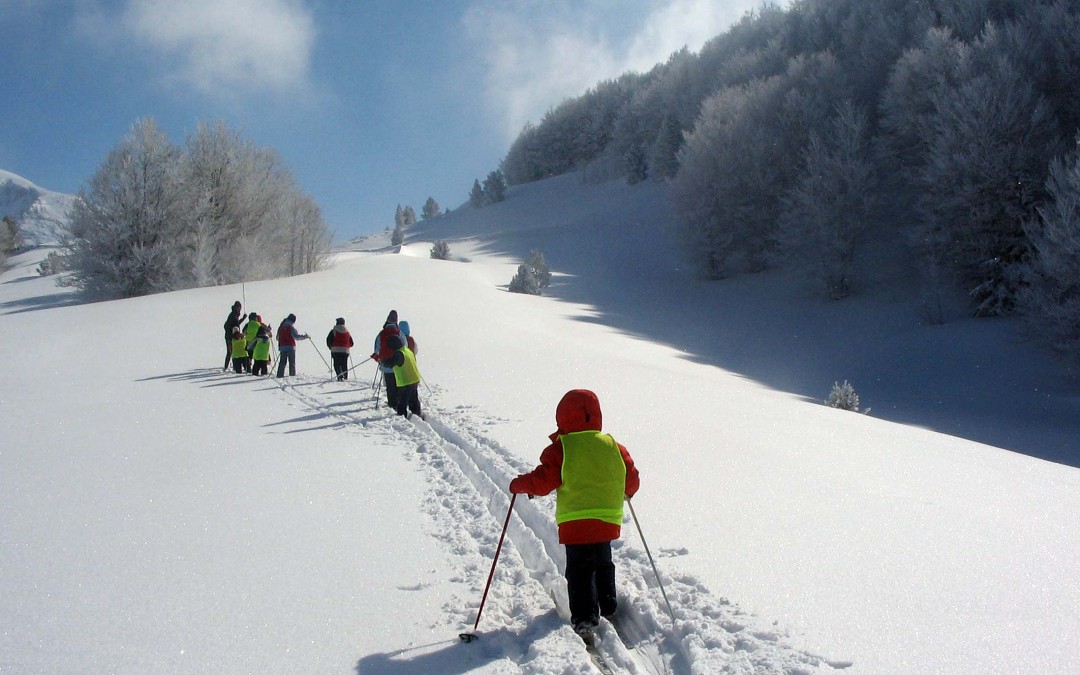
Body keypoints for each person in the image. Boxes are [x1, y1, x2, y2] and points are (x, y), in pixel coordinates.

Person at [508, 389, 640, 643]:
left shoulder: (562, 448)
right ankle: (608, 605)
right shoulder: (614, 446)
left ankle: (585, 619)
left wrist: (519, 484)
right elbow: (631, 478)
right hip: (607, 520)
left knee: (580, 570)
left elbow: (543, 481)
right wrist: (627, 492)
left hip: (576, 522)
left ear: (563, 418)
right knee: (603, 562)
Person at [385, 334, 424, 420]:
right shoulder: (406, 350)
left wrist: (381, 360)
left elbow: (391, 363)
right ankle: (417, 414)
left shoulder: (399, 353)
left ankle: (402, 418)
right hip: (414, 378)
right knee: (413, 399)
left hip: (407, 381)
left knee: (402, 401)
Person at [370, 310, 401, 408]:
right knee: (398, 385)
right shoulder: (400, 334)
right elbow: (405, 346)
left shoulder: (381, 334)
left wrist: (377, 357)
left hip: (386, 365)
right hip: (398, 365)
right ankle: (399, 403)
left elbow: (377, 350)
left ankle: (392, 404)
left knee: (390, 386)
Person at [223, 300, 243, 371]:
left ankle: (230, 366)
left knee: (232, 351)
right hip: (230, 337)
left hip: (232, 336)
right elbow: (234, 324)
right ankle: (227, 367)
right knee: (231, 352)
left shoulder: (234, 315)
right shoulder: (233, 315)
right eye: (239, 308)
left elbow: (236, 324)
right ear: (236, 307)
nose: (240, 309)